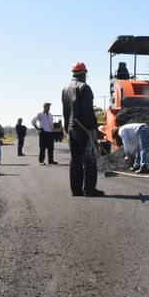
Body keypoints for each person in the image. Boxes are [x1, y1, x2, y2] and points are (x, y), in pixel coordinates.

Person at [61, 61, 104, 197]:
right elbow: (88, 112)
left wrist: (67, 128)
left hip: (71, 129)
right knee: (89, 159)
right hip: (84, 129)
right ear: (84, 73)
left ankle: (76, 190)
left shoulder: (65, 88)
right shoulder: (84, 88)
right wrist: (94, 129)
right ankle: (89, 189)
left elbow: (65, 112)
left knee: (75, 159)